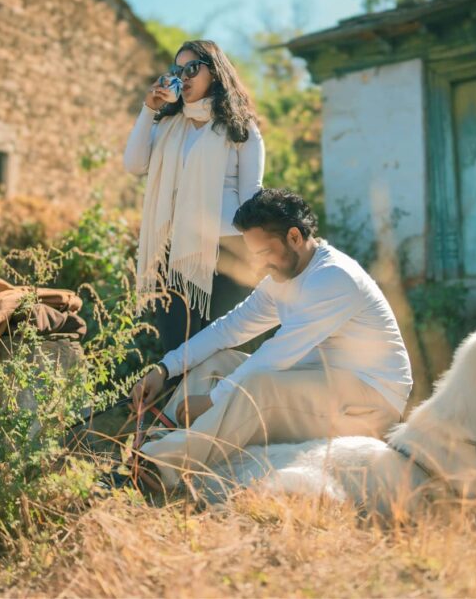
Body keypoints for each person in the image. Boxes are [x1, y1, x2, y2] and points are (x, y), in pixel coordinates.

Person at [129, 188, 413, 491]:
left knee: (259, 386)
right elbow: (230, 328)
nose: (259, 264)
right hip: (323, 386)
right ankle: (158, 440)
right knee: (219, 362)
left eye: (265, 253)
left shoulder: (333, 278)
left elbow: (276, 356)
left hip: (368, 404)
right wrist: (164, 368)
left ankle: (159, 467)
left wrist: (211, 401)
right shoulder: (285, 276)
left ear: (294, 237)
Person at [123, 40, 265, 353]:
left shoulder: (240, 128)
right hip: (175, 255)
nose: (183, 77)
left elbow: (251, 200)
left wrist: (257, 258)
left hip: (227, 253)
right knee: (178, 353)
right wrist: (149, 109)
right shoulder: (169, 127)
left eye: (191, 68)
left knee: (226, 353)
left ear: (214, 72)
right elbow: (134, 164)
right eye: (177, 70)